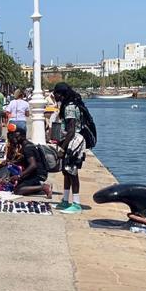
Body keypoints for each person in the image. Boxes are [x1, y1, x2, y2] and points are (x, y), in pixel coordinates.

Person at [53, 82, 89, 213]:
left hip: (74, 142)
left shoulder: (70, 108)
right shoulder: (68, 105)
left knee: (72, 172)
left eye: (55, 93)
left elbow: (71, 130)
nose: (54, 95)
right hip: (70, 140)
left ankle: (76, 203)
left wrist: (63, 148)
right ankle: (65, 200)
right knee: (66, 171)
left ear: (61, 94)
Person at [7, 126, 51, 198]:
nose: (15, 139)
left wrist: (19, 176)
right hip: (35, 172)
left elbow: (33, 165)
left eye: (17, 137)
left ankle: (44, 187)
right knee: (15, 184)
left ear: (23, 136)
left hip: (39, 174)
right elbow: (25, 159)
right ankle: (36, 187)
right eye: (15, 137)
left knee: (18, 190)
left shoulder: (28, 148)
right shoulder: (25, 145)